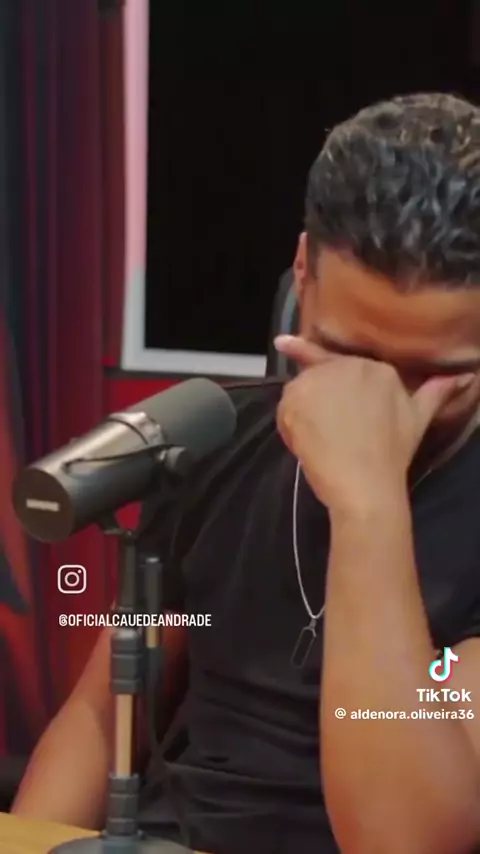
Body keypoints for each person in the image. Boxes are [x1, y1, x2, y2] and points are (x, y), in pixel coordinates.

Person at [11, 92, 480, 854]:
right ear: (302, 271)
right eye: (347, 354)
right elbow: (104, 715)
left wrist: (368, 508)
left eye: (435, 375)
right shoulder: (216, 442)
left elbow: (405, 839)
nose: (379, 399)